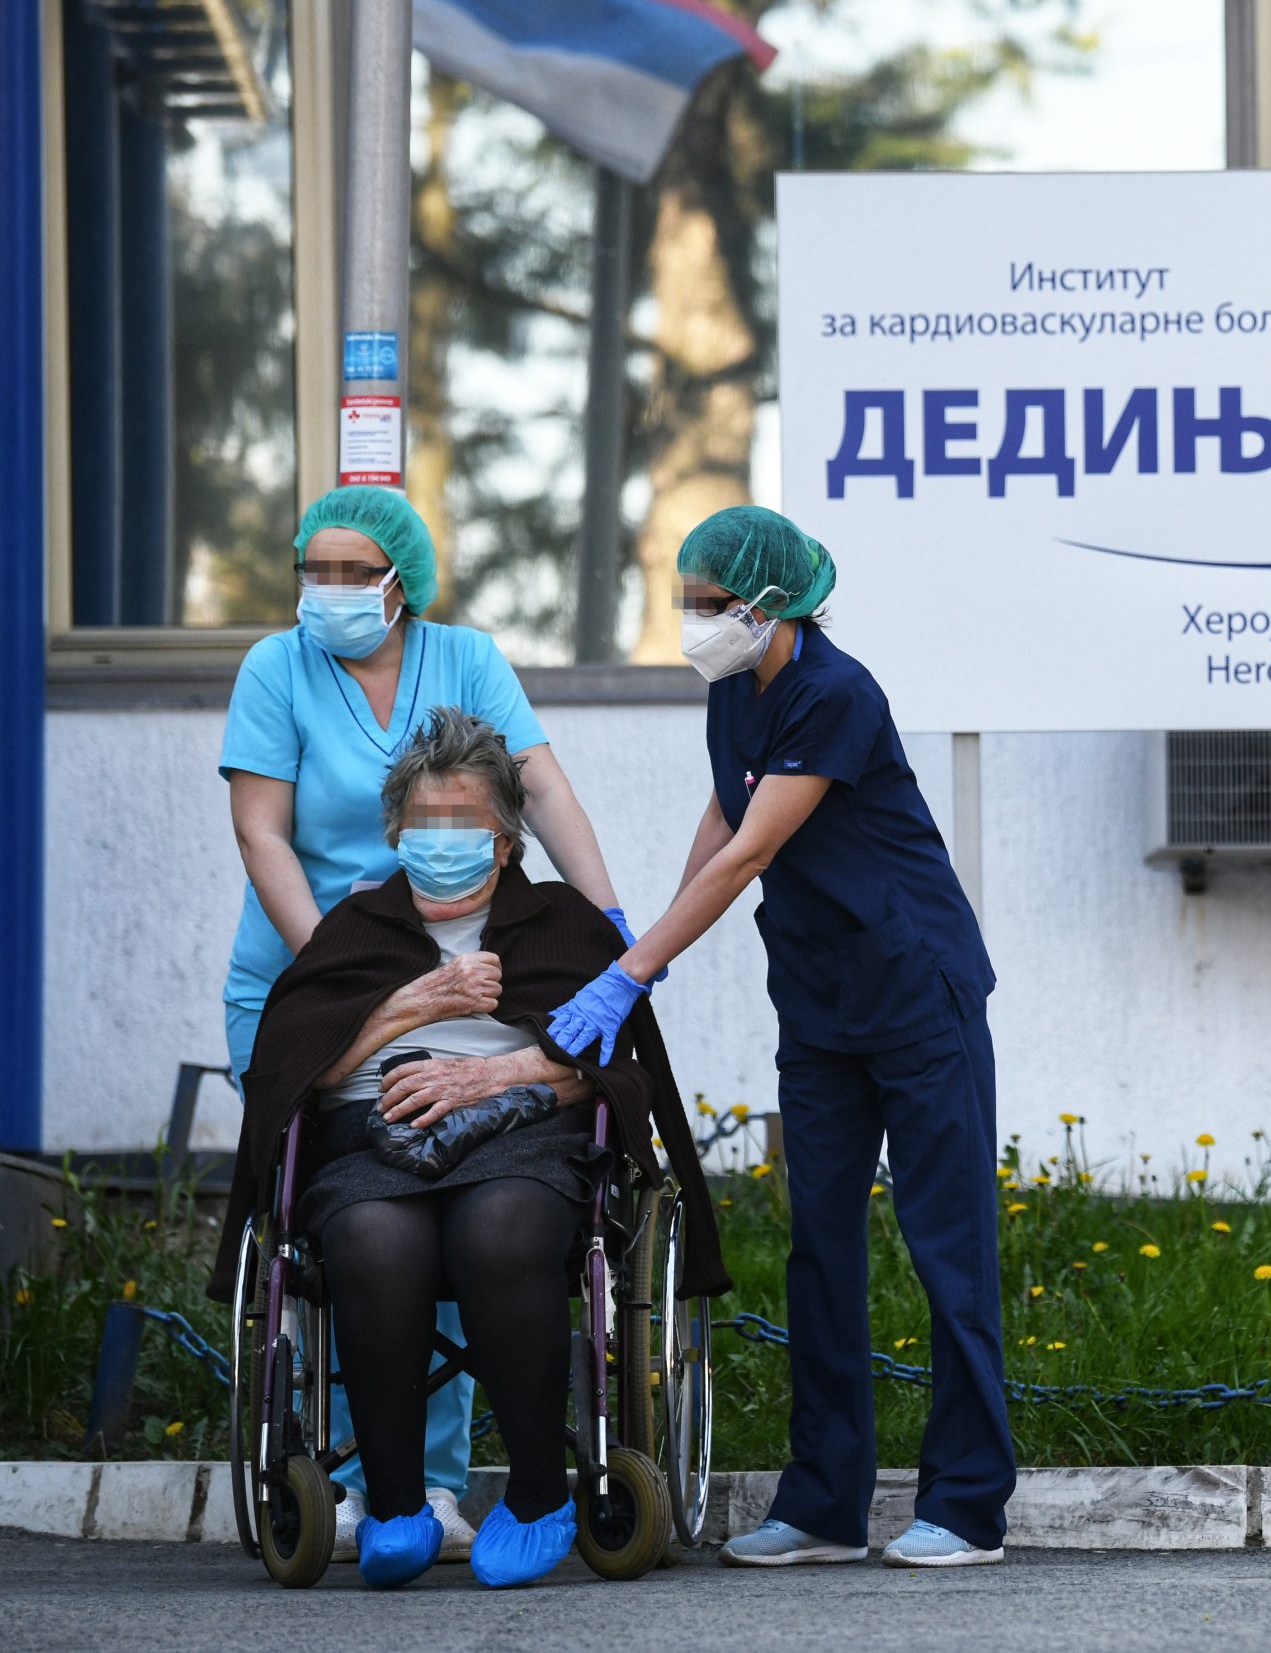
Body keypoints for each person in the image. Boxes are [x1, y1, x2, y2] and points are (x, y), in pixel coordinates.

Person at [548, 504, 1009, 1570]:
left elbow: (755, 848)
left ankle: (969, 1504)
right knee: (820, 1247)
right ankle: (825, 1501)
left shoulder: (836, 692)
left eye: (712, 603)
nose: (695, 619)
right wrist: (652, 935)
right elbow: (722, 815)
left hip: (915, 988)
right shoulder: (733, 688)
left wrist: (637, 964)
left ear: (768, 606)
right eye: (691, 599)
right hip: (819, 1001)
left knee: (948, 1248)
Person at [210, 708, 729, 1590]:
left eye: (466, 826)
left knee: (498, 1230)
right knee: (374, 1239)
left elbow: (621, 1073)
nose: (442, 842)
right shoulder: (355, 930)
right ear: (396, 834)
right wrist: (416, 1004)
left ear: (503, 843)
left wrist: (493, 1078)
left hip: (527, 1138)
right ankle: (398, 1503)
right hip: (375, 1141)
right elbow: (289, 1070)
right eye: (424, 825)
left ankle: (536, 1497)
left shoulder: (564, 924)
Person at [218, 485, 640, 1563]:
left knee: (483, 1212)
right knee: (366, 1202)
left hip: (478, 971)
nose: (332, 590)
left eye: (357, 571)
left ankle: (445, 1486)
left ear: (402, 579)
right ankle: (381, 1487)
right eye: (316, 569)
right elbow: (264, 833)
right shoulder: (279, 669)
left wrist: (612, 934)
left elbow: (542, 792)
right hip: (321, 950)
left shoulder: (466, 659)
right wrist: (349, 972)